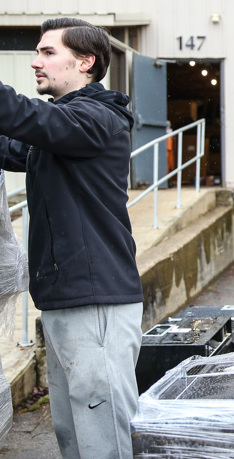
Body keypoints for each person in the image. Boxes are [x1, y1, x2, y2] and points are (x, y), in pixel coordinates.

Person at [0, 18, 143, 458]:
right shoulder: (60, 129)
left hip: (95, 300)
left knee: (103, 434)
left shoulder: (98, 117)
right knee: (73, 433)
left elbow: (26, 117)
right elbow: (12, 144)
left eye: (47, 53)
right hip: (63, 300)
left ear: (86, 62)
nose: (35, 63)